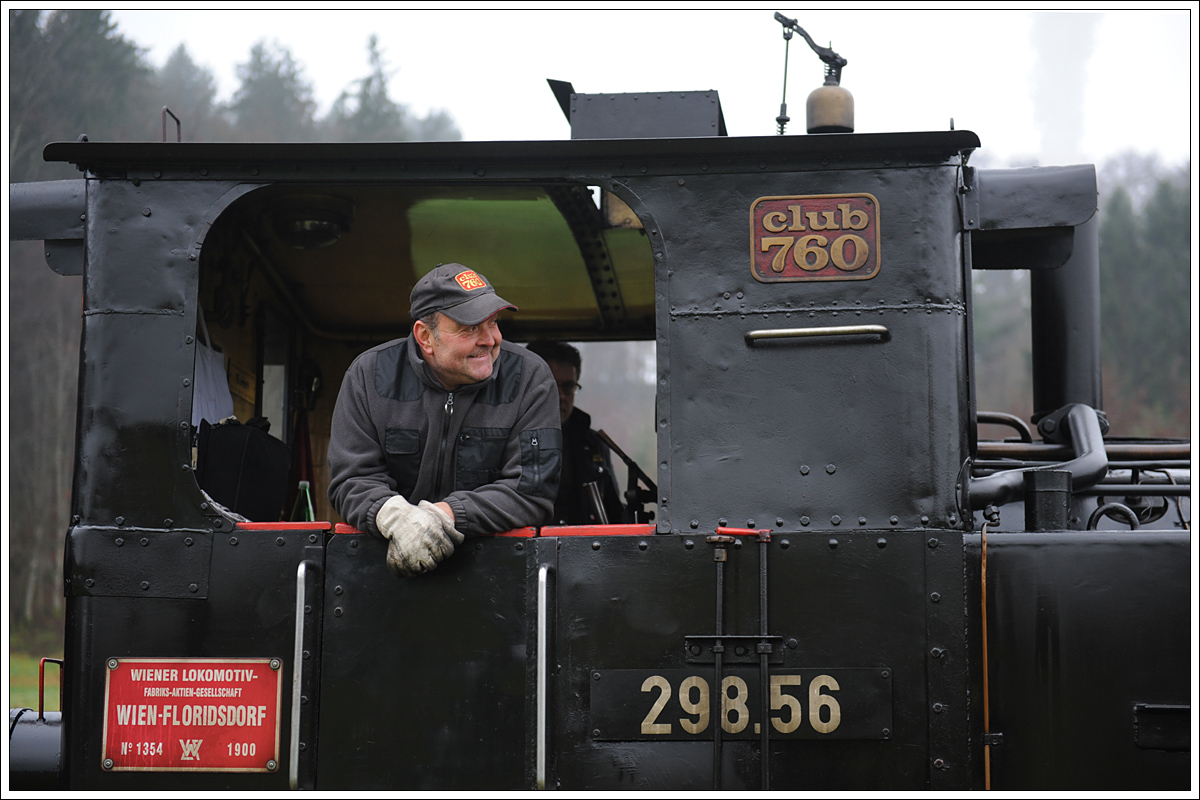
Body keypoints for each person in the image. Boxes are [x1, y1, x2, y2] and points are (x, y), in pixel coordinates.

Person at [328, 263, 561, 578]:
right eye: (470, 328)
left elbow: (532, 491)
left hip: (499, 576)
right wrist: (393, 516)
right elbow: (351, 479)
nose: (490, 340)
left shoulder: (531, 378)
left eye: (493, 323)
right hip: (384, 575)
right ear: (426, 337)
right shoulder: (368, 376)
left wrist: (445, 516)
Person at [525, 341, 626, 526]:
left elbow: (613, 511)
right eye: (552, 385)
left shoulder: (595, 444)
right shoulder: (507, 440)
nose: (561, 396)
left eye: (569, 386)